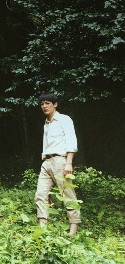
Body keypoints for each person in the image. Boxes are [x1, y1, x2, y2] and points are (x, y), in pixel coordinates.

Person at [35, 92, 81, 235]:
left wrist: (69, 163)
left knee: (68, 194)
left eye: (47, 103)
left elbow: (71, 141)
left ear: (55, 104)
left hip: (61, 161)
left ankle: (73, 231)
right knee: (40, 195)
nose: (44, 106)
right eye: (42, 104)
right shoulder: (46, 123)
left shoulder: (64, 119)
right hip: (46, 162)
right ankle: (42, 229)